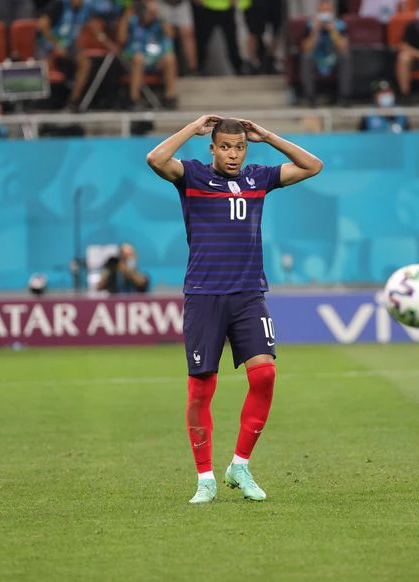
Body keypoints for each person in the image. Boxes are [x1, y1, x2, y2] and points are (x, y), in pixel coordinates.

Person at [145, 115, 323, 504]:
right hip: (204, 295)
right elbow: (156, 159)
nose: (233, 154)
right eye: (225, 147)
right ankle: (204, 478)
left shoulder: (259, 178)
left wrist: (268, 136)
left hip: (248, 294)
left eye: (239, 147)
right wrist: (192, 127)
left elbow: (313, 166)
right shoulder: (191, 176)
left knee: (265, 374)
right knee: (200, 389)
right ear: (212, 148)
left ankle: (240, 466)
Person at [38, 0, 114, 110]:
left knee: (85, 63)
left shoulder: (87, 8)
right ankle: (41, 102)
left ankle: (73, 101)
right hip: (48, 43)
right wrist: (55, 44)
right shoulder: (59, 4)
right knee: (45, 66)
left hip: (69, 44)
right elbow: (42, 25)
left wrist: (111, 45)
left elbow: (98, 32)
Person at [118, 0, 178, 109]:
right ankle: (134, 99)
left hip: (155, 58)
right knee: (138, 58)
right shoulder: (131, 14)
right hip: (134, 57)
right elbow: (121, 39)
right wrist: (126, 19)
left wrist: (158, 16)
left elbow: (170, 34)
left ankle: (169, 97)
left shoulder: (159, 17)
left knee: (170, 58)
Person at [300, 0, 351, 107]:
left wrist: (333, 31)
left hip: (334, 58)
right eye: (322, 11)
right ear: (317, 11)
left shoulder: (340, 25)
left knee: (345, 57)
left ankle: (344, 97)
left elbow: (343, 47)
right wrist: (315, 31)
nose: (324, 14)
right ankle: (311, 98)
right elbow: (306, 48)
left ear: (332, 12)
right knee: (306, 57)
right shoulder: (310, 25)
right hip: (317, 58)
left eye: (326, 11)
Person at [194, 0, 243, 75]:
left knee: (232, 41)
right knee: (202, 41)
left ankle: (238, 68)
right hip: (206, 7)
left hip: (227, 8)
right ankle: (199, 68)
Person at [242, 0, 283, 74]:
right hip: (254, 3)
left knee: (277, 30)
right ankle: (252, 63)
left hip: (274, 3)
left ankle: (269, 60)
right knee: (253, 31)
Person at [158, 0, 197, 75]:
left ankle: (192, 69)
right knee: (167, 34)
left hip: (181, 3)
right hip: (162, 3)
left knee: (187, 34)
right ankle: (169, 69)